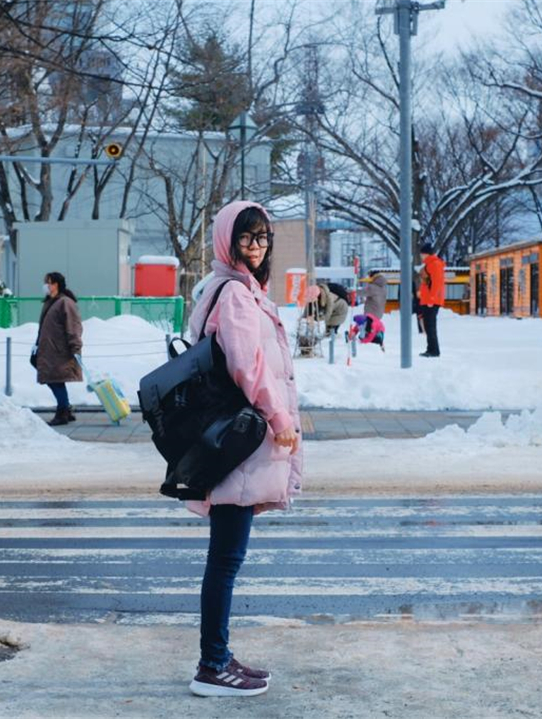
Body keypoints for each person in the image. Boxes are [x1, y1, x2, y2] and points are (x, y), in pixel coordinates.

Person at [186, 200, 302, 698]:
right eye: (245, 238)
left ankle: (218, 656)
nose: (255, 247)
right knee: (226, 557)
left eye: (261, 238)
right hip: (240, 439)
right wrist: (279, 418)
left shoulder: (234, 288)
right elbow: (246, 366)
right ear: (225, 240)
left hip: (236, 439)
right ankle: (212, 664)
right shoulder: (233, 292)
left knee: (226, 555)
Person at [34, 272, 83, 426]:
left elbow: (73, 326)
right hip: (50, 350)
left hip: (59, 351)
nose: (46, 286)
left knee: (55, 380)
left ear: (56, 284)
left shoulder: (65, 303)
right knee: (54, 380)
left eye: (49, 282)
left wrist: (75, 347)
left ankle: (63, 412)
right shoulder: (51, 302)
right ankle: (65, 409)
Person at [417, 243, 445, 357]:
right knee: (428, 326)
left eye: (421, 254)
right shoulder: (430, 264)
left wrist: (431, 299)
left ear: (425, 254)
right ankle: (431, 349)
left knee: (430, 326)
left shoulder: (434, 264)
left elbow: (436, 283)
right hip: (428, 299)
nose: (421, 257)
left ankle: (433, 350)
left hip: (431, 301)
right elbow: (428, 282)